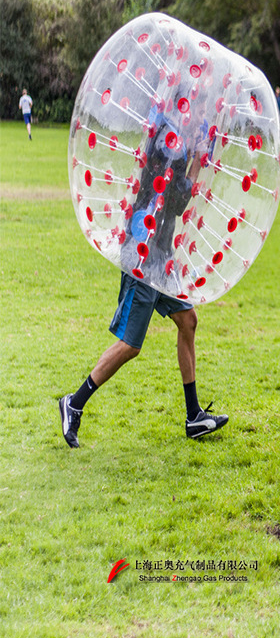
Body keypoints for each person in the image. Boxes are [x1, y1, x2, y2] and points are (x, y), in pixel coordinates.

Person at [58, 98, 228, 448]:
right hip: (143, 250)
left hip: (160, 252)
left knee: (188, 321)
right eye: (201, 112)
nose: (204, 121)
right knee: (131, 345)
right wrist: (196, 161)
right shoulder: (171, 143)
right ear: (188, 107)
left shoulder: (174, 136)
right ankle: (73, 404)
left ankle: (194, 416)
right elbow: (177, 201)